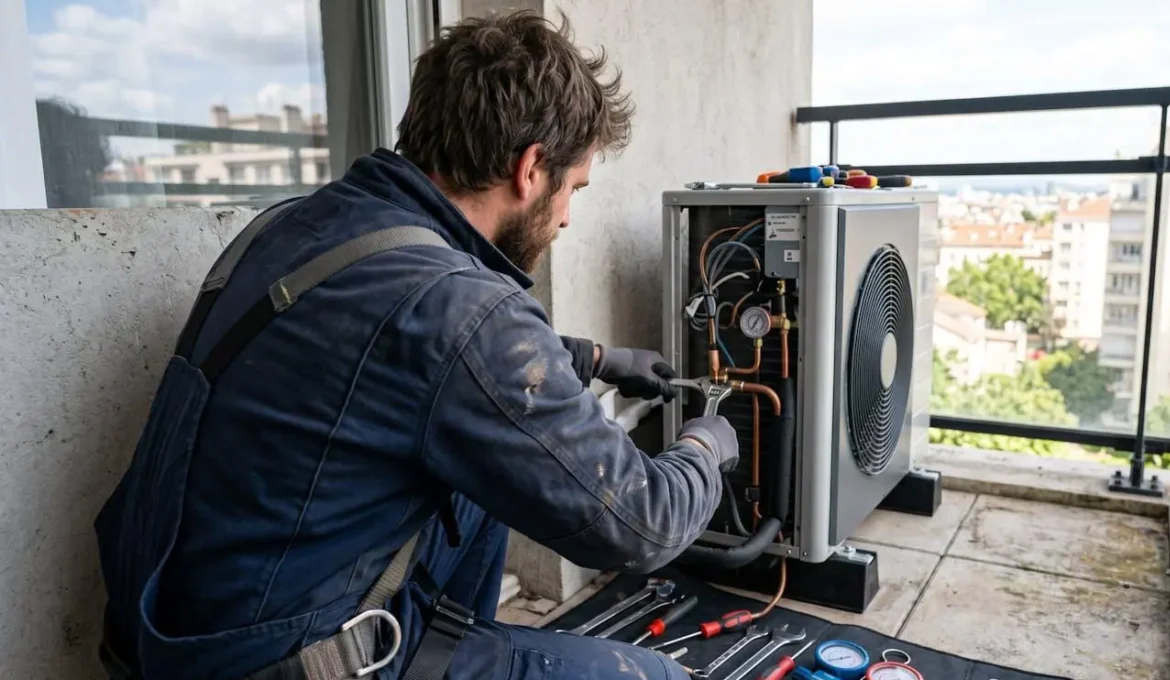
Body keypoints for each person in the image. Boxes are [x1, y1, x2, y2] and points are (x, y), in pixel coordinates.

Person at [93, 9, 739, 680]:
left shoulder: (304, 227)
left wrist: (597, 360)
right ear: (530, 169)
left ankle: (456, 646)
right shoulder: (458, 305)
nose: (568, 217)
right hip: (278, 661)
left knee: (495, 466)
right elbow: (640, 524)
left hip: (171, 630)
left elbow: (427, 357)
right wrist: (705, 446)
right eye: (572, 189)